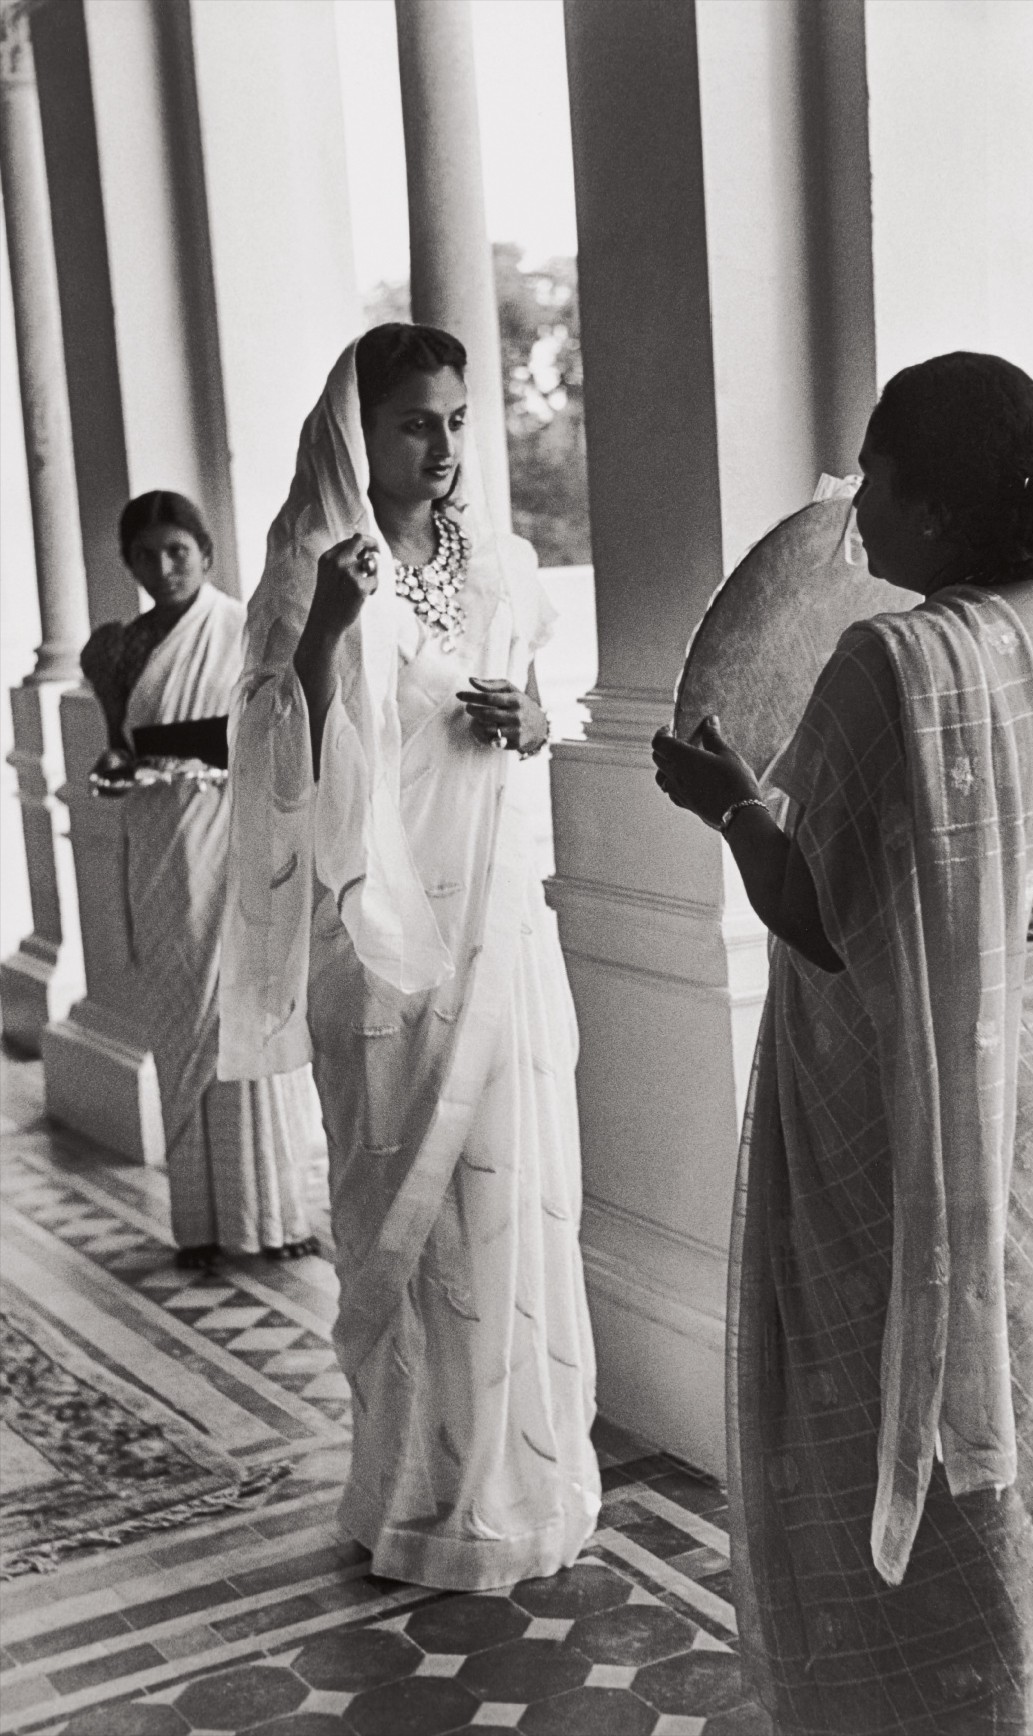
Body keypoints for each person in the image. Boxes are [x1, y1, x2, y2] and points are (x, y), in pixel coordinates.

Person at [653, 353, 1033, 1735]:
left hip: (938, 1081)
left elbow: (818, 917)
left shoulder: (894, 660)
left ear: (930, 503)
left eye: (872, 477)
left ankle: (944, 1696)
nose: (852, 508)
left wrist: (726, 803)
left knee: (921, 1409)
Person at [219, 323, 600, 1590]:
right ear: (355, 429)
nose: (439, 447)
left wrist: (530, 718)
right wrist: (328, 626)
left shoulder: (497, 561)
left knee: (506, 1197)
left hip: (500, 924)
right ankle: (416, 1496)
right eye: (412, 423)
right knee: (403, 1215)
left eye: (453, 421)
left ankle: (520, 1484)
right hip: (383, 944)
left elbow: (537, 703)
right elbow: (282, 760)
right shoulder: (308, 566)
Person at [81, 492, 321, 1270]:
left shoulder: (244, 630)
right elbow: (122, 746)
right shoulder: (115, 649)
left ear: (206, 553)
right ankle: (204, 1224)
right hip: (158, 840)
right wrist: (115, 767)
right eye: (146, 555)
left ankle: (274, 1214)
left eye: (177, 551)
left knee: (242, 1009)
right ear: (129, 563)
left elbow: (280, 729)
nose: (163, 567)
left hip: (234, 839)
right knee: (184, 1017)